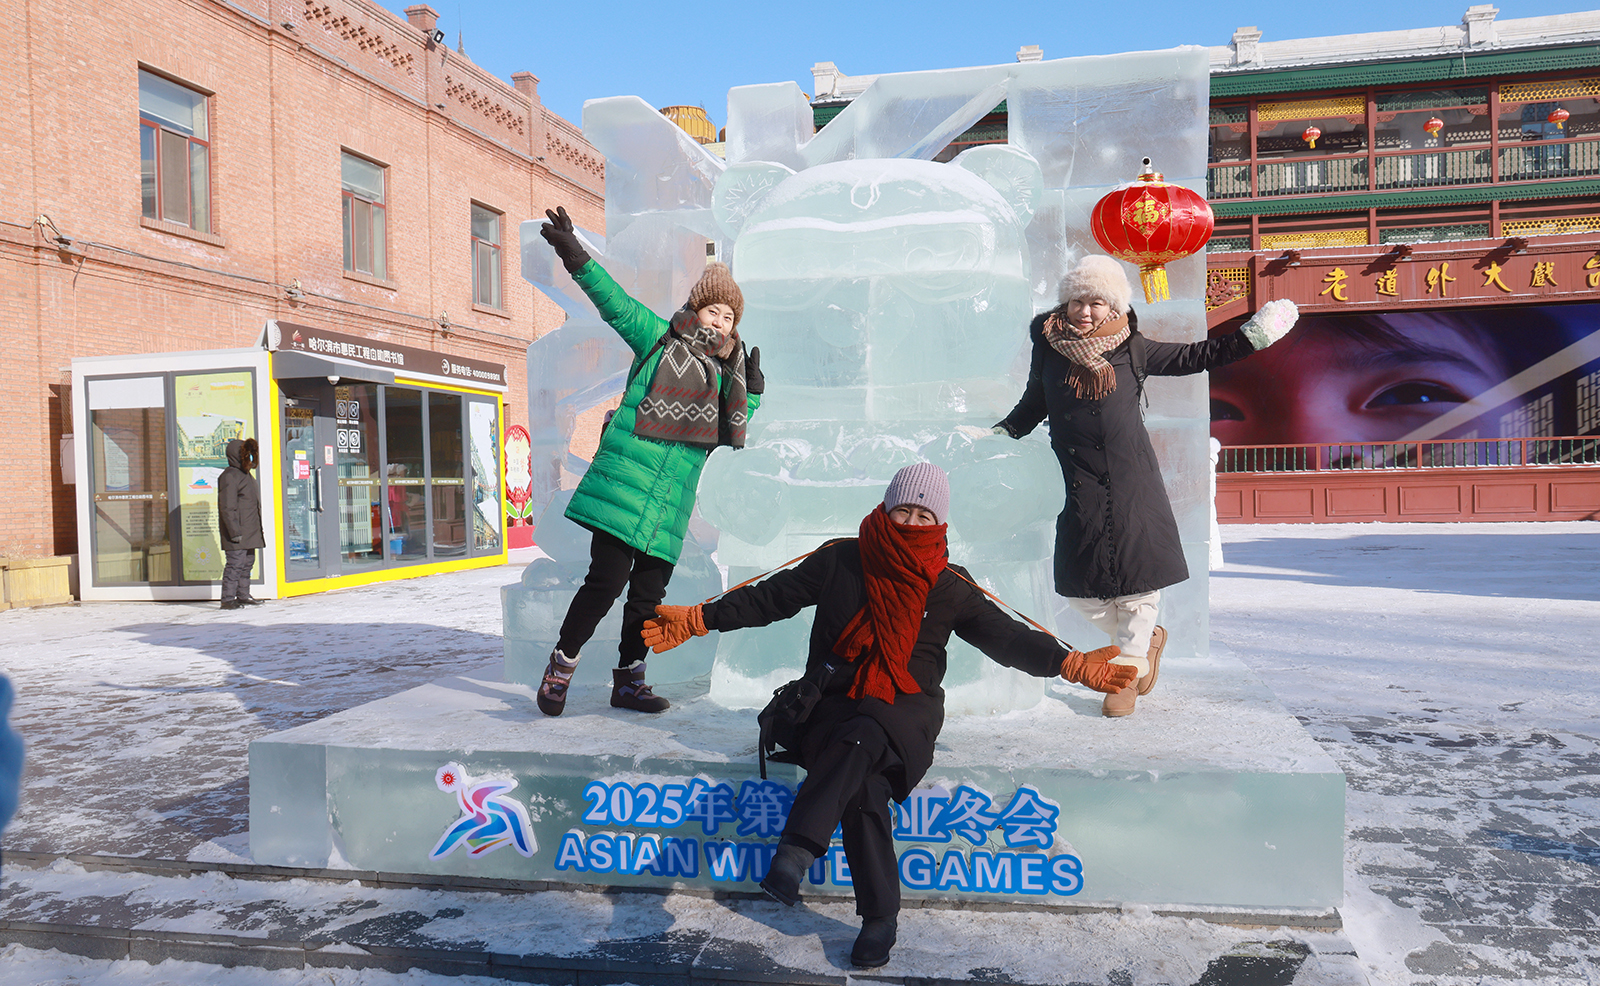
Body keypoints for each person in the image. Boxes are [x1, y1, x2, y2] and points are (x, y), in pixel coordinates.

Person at [641, 463, 1132, 968]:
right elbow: (771, 597)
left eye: (925, 514)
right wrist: (702, 618)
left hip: (907, 714)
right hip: (831, 705)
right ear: (886, 506)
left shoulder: (948, 584)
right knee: (863, 786)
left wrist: (1069, 663)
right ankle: (880, 919)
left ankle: (797, 849)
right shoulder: (842, 559)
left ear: (939, 522)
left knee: (867, 732)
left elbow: (1006, 637)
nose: (913, 521)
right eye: (905, 509)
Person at [988, 256, 1297, 717]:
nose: (1085, 312)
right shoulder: (1050, 348)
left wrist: (1252, 337)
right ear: (1064, 303)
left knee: (1138, 578)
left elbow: (1198, 355)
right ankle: (1146, 639)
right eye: (1077, 301)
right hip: (1077, 480)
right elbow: (1035, 400)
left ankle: (1128, 672)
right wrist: (1000, 434)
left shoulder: (1132, 348)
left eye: (1096, 302)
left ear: (1113, 306)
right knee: (1078, 588)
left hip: (1131, 477)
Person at [536, 206, 764, 716]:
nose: (721, 322)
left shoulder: (729, 382)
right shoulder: (660, 341)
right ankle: (561, 666)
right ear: (695, 309)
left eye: (729, 317)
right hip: (623, 492)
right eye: (714, 312)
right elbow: (615, 304)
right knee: (604, 585)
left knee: (646, 601)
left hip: (668, 506)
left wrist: (755, 396)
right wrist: (577, 258)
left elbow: (731, 429)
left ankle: (629, 683)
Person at [217, 437, 265, 609]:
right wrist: (234, 531)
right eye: (248, 455)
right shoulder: (229, 476)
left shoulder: (246, 475)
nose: (251, 459)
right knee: (235, 564)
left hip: (249, 530)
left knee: (247, 563)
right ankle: (228, 599)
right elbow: (227, 507)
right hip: (237, 531)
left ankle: (243, 595)